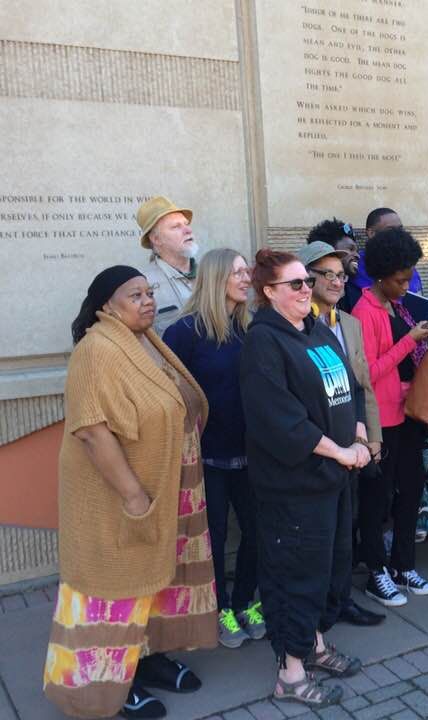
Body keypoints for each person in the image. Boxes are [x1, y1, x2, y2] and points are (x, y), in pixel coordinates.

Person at [44, 266, 216, 719]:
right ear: (105, 305)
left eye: (149, 292)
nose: (146, 300)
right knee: (116, 584)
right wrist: (135, 497)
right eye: (133, 294)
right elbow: (93, 431)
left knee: (154, 579)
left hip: (164, 487)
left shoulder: (145, 341)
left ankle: (148, 657)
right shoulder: (96, 350)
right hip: (119, 498)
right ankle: (106, 686)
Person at [240, 249, 370, 709]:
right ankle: (290, 675)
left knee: (329, 570)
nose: (305, 290)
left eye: (306, 282)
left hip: (333, 478)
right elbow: (281, 420)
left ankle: (312, 646)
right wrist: (340, 451)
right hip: (294, 486)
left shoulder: (316, 330)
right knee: (296, 575)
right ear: (268, 292)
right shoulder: (264, 343)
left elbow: (347, 390)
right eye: (294, 284)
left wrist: (357, 433)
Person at [162, 249, 264, 649]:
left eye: (246, 272)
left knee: (256, 529)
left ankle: (245, 602)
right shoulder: (183, 332)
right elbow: (171, 397)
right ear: (216, 278)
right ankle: (220, 609)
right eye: (237, 272)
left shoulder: (251, 327)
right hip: (207, 457)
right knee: (216, 536)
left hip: (252, 452)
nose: (245, 278)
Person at [295, 241, 387, 628]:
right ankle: (317, 612)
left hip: (355, 444)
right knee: (320, 536)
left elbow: (362, 384)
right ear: (305, 278)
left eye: (341, 274)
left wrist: (373, 437)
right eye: (325, 274)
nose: (336, 281)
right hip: (316, 450)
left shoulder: (350, 322)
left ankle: (341, 598)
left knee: (346, 530)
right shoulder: (295, 325)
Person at [351, 227, 428, 606]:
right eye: (401, 280)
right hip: (381, 421)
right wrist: (410, 342)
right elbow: (367, 373)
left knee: (411, 491)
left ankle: (404, 565)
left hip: (407, 413)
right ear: (381, 276)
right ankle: (376, 571)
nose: (407, 286)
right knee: (377, 498)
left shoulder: (395, 305)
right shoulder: (363, 311)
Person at [137, 196, 198, 334]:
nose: (188, 230)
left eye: (186, 224)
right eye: (176, 227)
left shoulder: (211, 274)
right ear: (156, 239)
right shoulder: (143, 283)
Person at [352, 208, 424, 295]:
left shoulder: (406, 262)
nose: (398, 235)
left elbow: (418, 292)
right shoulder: (358, 266)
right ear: (371, 233)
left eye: (400, 229)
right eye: (391, 230)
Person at [306, 218, 363, 312]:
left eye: (357, 250)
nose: (357, 255)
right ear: (328, 250)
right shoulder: (302, 300)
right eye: (351, 249)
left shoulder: (356, 294)